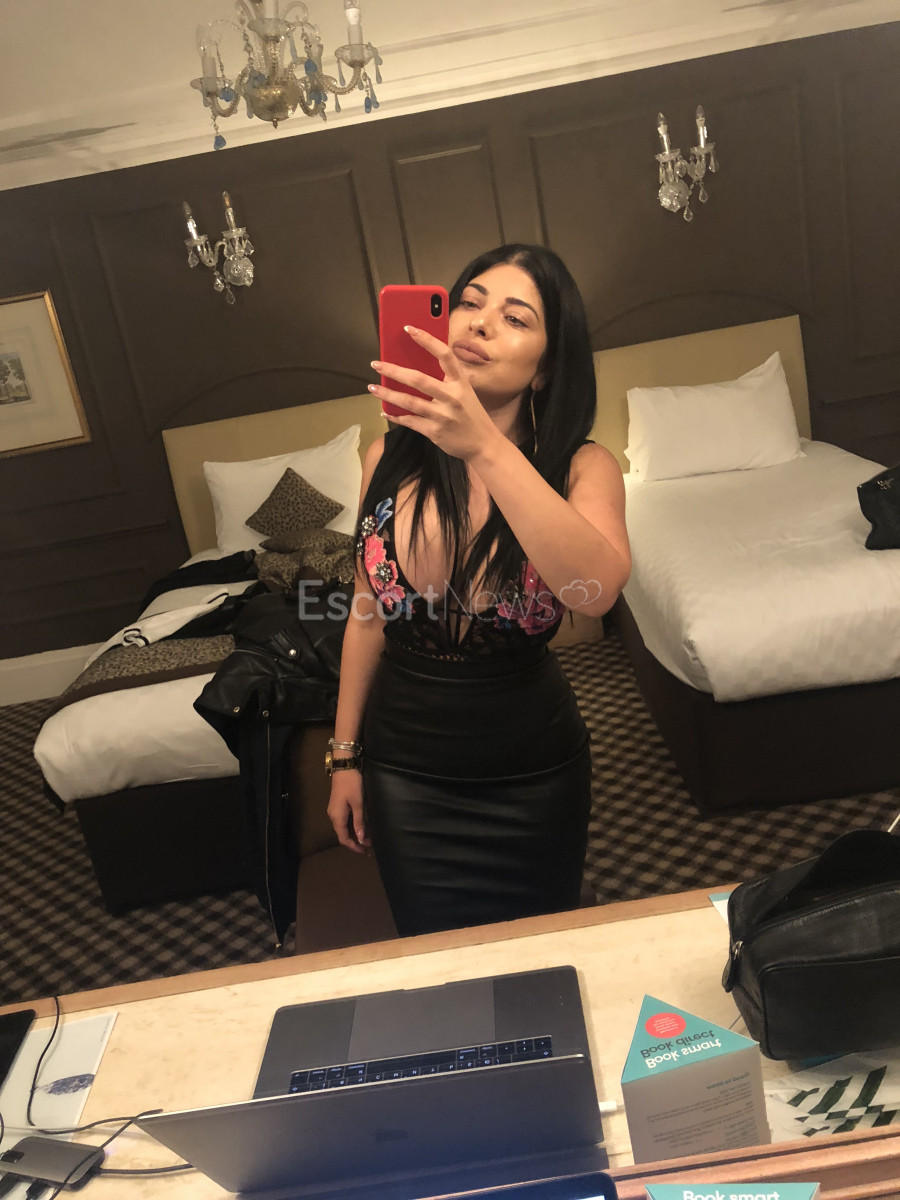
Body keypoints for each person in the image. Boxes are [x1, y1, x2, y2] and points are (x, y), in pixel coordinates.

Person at [326, 244, 631, 937]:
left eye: (516, 317)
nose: (480, 322)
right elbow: (366, 617)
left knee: (542, 949)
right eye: (468, 302)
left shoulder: (582, 467)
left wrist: (486, 448)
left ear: (546, 367)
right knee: (440, 956)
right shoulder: (385, 455)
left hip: (534, 772)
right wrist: (344, 758)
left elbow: (594, 593)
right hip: (407, 769)